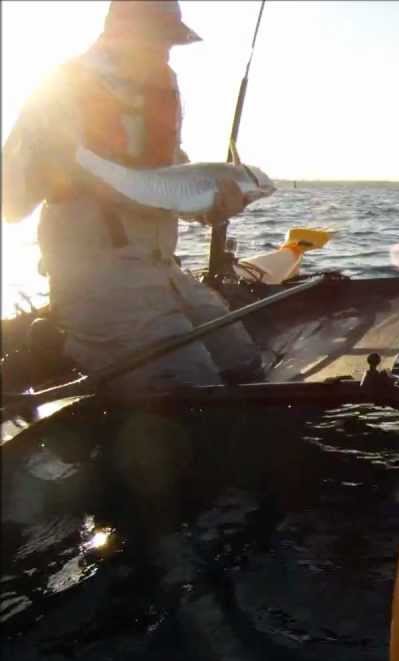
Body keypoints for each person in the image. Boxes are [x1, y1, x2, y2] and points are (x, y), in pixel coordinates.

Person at [1, 0, 261, 394]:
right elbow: (10, 202)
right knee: (193, 392)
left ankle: (78, 347)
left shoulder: (160, 90)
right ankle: (71, 343)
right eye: (155, 40)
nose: (163, 53)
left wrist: (210, 206)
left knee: (244, 365)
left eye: (169, 43)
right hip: (97, 279)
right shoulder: (61, 90)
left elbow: (174, 176)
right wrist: (51, 167)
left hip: (162, 271)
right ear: (117, 33)